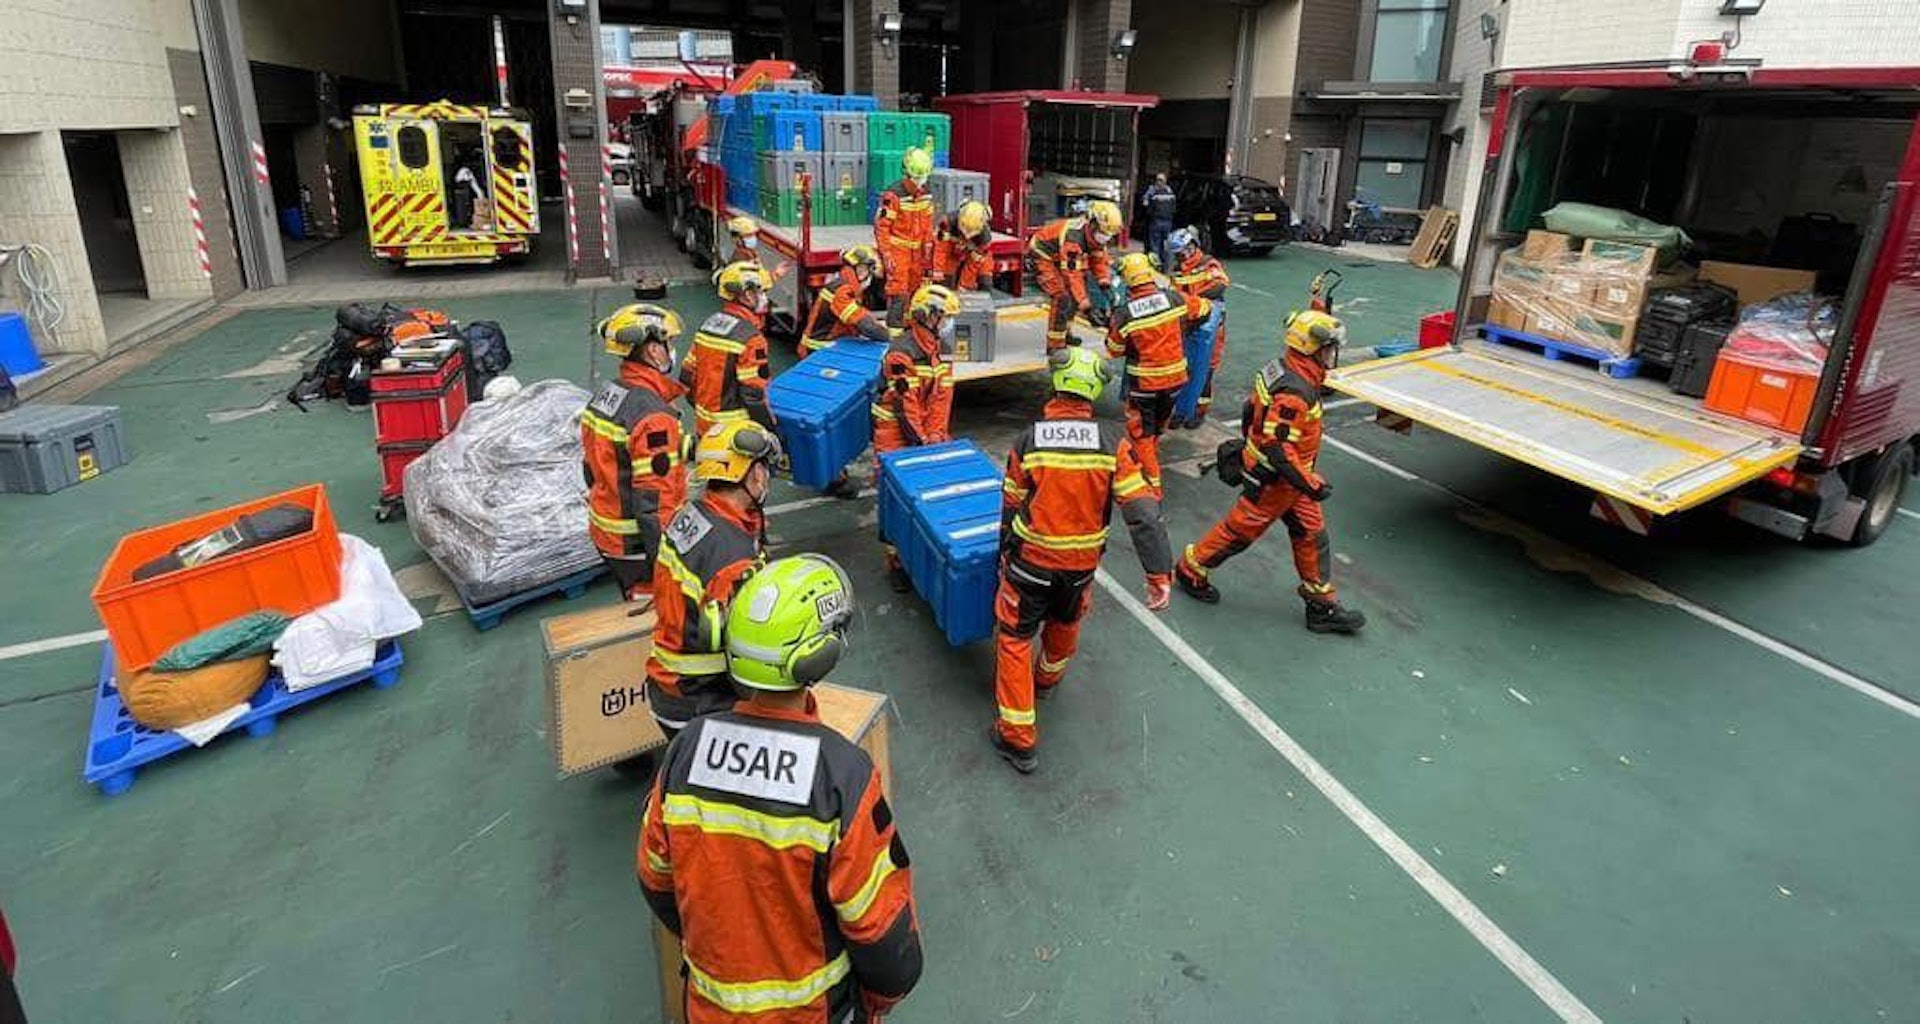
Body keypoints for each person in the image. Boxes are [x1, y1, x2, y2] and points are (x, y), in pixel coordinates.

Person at [639, 555, 923, 1023]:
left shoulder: (686, 750)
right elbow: (884, 941)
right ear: (818, 656)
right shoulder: (840, 775)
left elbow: (656, 880)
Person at [989, 346, 1173, 773]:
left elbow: (1012, 501)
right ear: (1092, 392)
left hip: (1028, 564)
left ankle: (1017, 739)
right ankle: (1048, 681)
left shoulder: (1030, 439)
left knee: (1015, 639)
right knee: (1065, 624)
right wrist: (1159, 572)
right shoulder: (1114, 443)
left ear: (1058, 385)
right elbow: (1143, 511)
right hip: (1079, 570)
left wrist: (1003, 545)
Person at [1176, 310, 1367, 634]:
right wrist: (1311, 484)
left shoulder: (1286, 369)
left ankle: (1321, 604)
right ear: (1312, 348)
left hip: (1290, 481)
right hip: (1277, 481)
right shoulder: (1296, 393)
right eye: (1329, 348)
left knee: (1311, 535)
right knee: (1239, 532)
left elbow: (1251, 410)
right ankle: (1190, 569)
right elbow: (1279, 449)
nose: (1333, 354)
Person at [644, 421, 780, 739]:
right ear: (754, 474)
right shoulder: (730, 555)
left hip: (670, 685)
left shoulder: (693, 514)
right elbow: (747, 645)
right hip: (701, 701)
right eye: (764, 469)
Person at [581, 304, 689, 602]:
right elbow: (654, 505)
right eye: (669, 344)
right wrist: (667, 564)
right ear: (654, 351)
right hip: (635, 544)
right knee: (656, 611)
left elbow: (591, 466)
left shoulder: (608, 394)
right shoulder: (653, 416)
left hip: (606, 529)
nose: (672, 351)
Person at [873, 283, 959, 593]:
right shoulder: (901, 352)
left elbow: (941, 400)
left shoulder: (939, 351)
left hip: (923, 431)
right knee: (894, 498)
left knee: (929, 493)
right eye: (944, 317)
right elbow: (902, 405)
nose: (948, 323)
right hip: (894, 435)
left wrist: (936, 435)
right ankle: (895, 562)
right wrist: (920, 442)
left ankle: (922, 551)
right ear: (927, 316)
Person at [1105, 251, 1210, 499]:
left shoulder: (1125, 313)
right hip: (1175, 382)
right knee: (1156, 430)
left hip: (1144, 385)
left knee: (1141, 434)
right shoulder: (1173, 299)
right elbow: (1203, 308)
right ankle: (1145, 462)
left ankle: (1152, 488)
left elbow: (1114, 350)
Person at [682, 262, 775, 438]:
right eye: (762, 292)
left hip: (705, 427)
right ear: (747, 295)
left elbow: (687, 377)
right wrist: (770, 429)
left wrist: (706, 410)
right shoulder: (751, 338)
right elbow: (752, 395)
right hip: (735, 433)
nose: (765, 298)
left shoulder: (708, 325)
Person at [1026, 200, 1122, 352]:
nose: (1106, 237)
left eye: (1109, 234)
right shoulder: (1073, 238)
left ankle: (1065, 332)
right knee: (1062, 297)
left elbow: (1098, 260)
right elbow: (1072, 275)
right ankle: (1055, 344)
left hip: (1060, 256)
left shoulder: (1094, 235)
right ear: (1092, 223)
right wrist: (1087, 308)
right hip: (1042, 256)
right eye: (1103, 233)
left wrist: (1105, 284)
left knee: (1075, 295)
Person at [1167, 226, 1232, 428]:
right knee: (1183, 369)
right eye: (1177, 254)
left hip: (1210, 328)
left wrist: (1194, 301)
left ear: (1192, 246)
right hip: (1187, 325)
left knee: (1206, 372)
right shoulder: (1178, 270)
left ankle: (1199, 411)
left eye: (1181, 253)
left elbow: (1221, 285)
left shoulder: (1208, 265)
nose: (1179, 257)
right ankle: (1180, 411)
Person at [873, 148, 937, 327]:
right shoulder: (893, 195)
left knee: (917, 292)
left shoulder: (926, 192)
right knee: (898, 292)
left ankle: (910, 330)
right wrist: (886, 255)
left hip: (918, 251)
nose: (920, 181)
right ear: (906, 173)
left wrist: (928, 253)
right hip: (898, 251)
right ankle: (893, 335)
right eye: (916, 177)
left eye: (923, 177)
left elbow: (928, 225)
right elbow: (882, 227)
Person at [801, 245, 890, 358]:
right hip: (821, 350)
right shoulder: (843, 291)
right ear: (862, 270)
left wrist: (875, 321)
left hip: (829, 344)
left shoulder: (846, 284)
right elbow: (866, 326)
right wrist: (891, 338)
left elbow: (857, 314)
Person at [931, 200, 994, 292]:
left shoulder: (984, 239)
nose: (967, 235)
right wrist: (938, 271)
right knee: (945, 279)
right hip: (953, 250)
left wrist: (964, 285)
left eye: (971, 231)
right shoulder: (946, 223)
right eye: (965, 229)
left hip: (974, 255)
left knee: (985, 281)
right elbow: (941, 250)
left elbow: (973, 264)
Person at [726, 214, 790, 282]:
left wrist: (776, 273)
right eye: (748, 235)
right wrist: (776, 274)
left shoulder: (749, 254)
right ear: (737, 239)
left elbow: (760, 278)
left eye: (754, 234)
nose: (753, 238)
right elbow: (756, 285)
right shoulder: (741, 259)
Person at [1140, 172, 1177, 270]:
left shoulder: (1153, 191)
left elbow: (1146, 205)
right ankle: (1166, 267)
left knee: (1155, 245)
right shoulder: (1170, 192)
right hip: (1168, 222)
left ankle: (1155, 267)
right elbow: (1174, 208)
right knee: (1165, 246)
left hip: (1156, 222)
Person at [450, 149, 488, 229]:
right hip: (465, 191)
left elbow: (460, 180)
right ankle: (468, 222)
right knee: (465, 208)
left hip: (466, 191)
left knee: (467, 208)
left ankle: (469, 222)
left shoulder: (465, 169)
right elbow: (462, 180)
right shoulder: (466, 169)